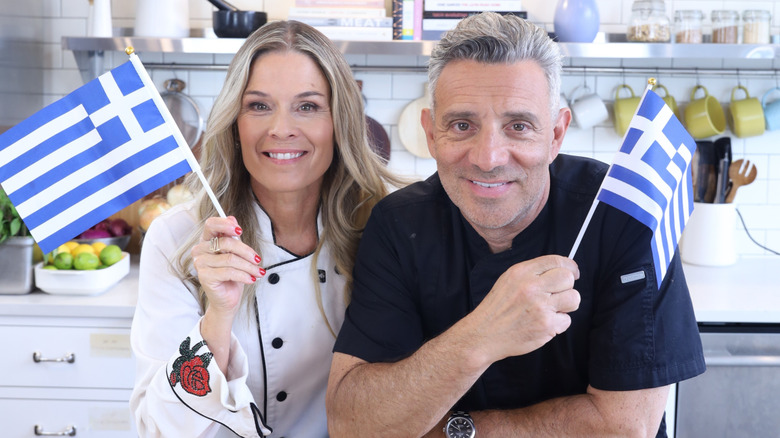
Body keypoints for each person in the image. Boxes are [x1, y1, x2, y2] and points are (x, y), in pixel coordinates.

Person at [326, 12, 705, 437]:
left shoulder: (623, 216)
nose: (488, 157)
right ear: (432, 135)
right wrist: (482, 334)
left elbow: (623, 427)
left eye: (519, 126)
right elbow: (353, 424)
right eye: (462, 125)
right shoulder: (398, 224)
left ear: (557, 134)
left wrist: (449, 430)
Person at [130, 20, 402, 437]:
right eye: (258, 105)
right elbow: (160, 429)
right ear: (235, 123)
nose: (280, 128)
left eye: (308, 106)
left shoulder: (386, 226)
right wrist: (217, 319)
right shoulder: (178, 238)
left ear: (340, 121)